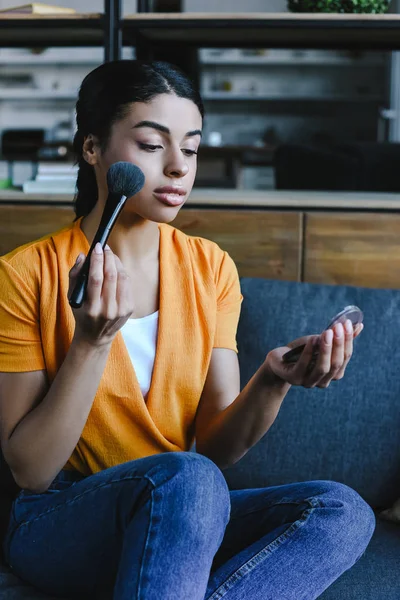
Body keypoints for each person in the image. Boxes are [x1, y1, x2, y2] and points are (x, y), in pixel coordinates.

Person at [0, 60, 375, 600]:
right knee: (190, 478)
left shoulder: (211, 268)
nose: (178, 168)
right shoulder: (24, 274)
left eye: (192, 149)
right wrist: (92, 343)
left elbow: (217, 447)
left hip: (183, 511)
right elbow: (30, 471)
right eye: (153, 146)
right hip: (61, 518)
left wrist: (272, 379)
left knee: (340, 511)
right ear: (92, 149)